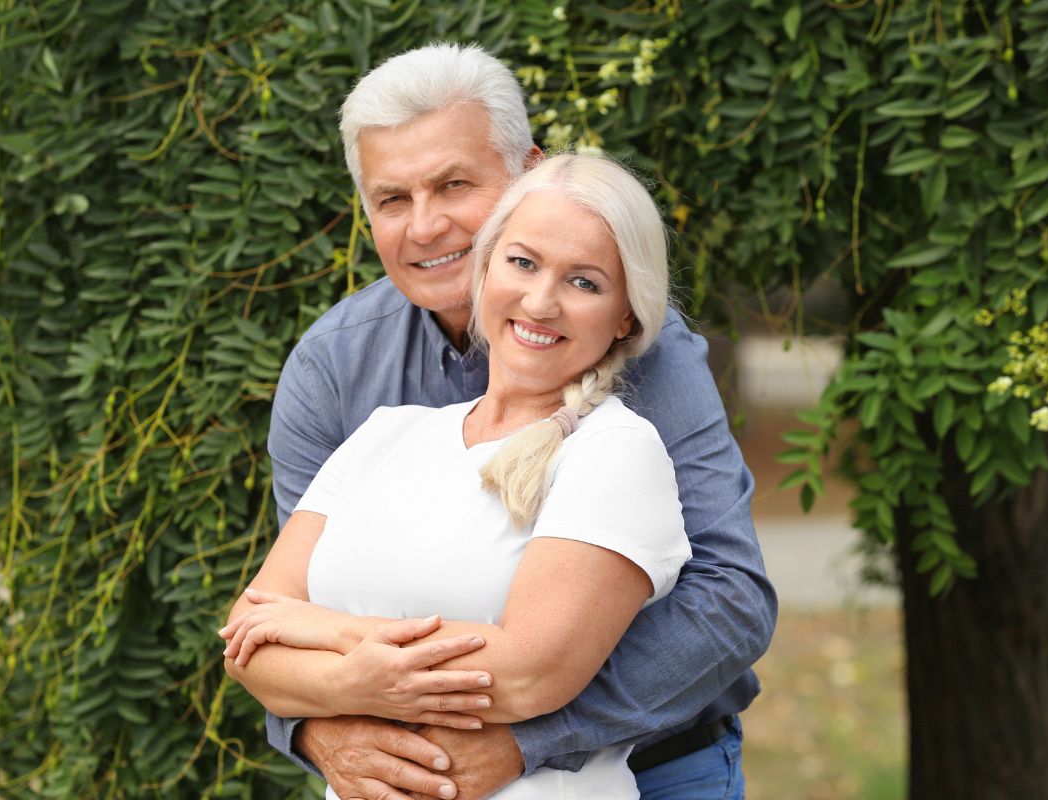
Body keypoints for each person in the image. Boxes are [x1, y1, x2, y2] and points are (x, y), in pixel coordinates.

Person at [229, 43, 775, 800]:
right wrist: (323, 732)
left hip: (657, 764)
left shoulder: (641, 362)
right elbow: (278, 622)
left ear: (527, 173)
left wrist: (528, 743)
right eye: (392, 200)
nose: (426, 226)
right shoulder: (339, 372)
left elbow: (728, 598)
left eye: (454, 184)